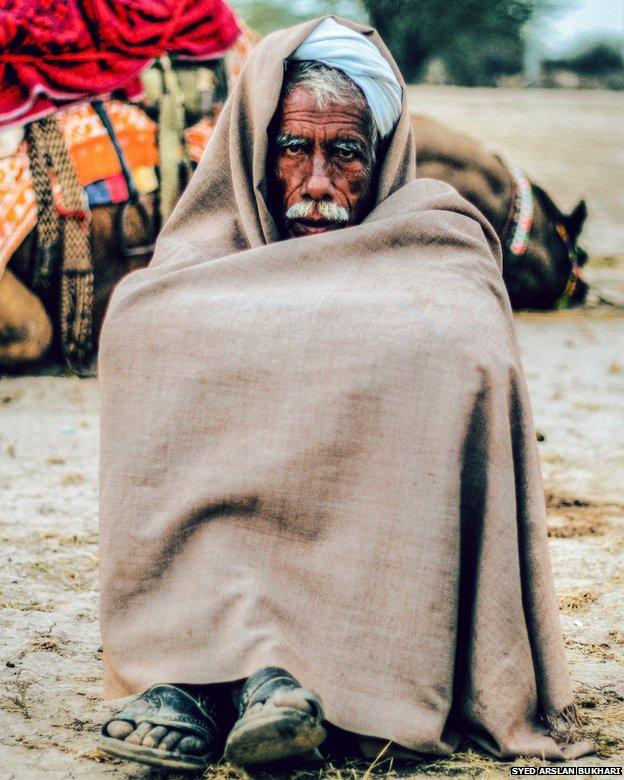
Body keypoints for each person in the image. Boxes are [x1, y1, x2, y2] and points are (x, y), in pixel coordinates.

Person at [97, 16, 592, 772]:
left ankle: (287, 676)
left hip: (362, 589)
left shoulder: (439, 239)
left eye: (346, 154)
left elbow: (470, 352)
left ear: (384, 156)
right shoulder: (198, 259)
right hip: (199, 583)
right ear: (258, 156)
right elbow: (146, 326)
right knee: (146, 325)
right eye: (294, 149)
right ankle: (188, 673)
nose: (319, 183)